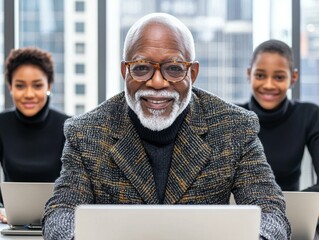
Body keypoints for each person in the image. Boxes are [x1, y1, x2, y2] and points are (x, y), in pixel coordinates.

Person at [42, 13, 291, 240]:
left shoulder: (234, 127)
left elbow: (270, 212)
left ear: (192, 73)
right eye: (141, 68)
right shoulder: (86, 132)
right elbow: (61, 212)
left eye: (173, 69)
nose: (158, 82)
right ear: (124, 71)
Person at [238, 39, 319, 192]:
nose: (269, 85)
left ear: (293, 78)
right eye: (260, 76)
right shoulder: (232, 115)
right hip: (242, 213)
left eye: (279, 77)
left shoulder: (309, 115)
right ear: (249, 74)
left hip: (292, 213)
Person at [0, 47, 69, 222]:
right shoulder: (1, 124)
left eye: (37, 85)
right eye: (20, 86)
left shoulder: (69, 127)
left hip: (59, 221)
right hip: (10, 223)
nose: (29, 94)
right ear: (10, 87)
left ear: (49, 85)